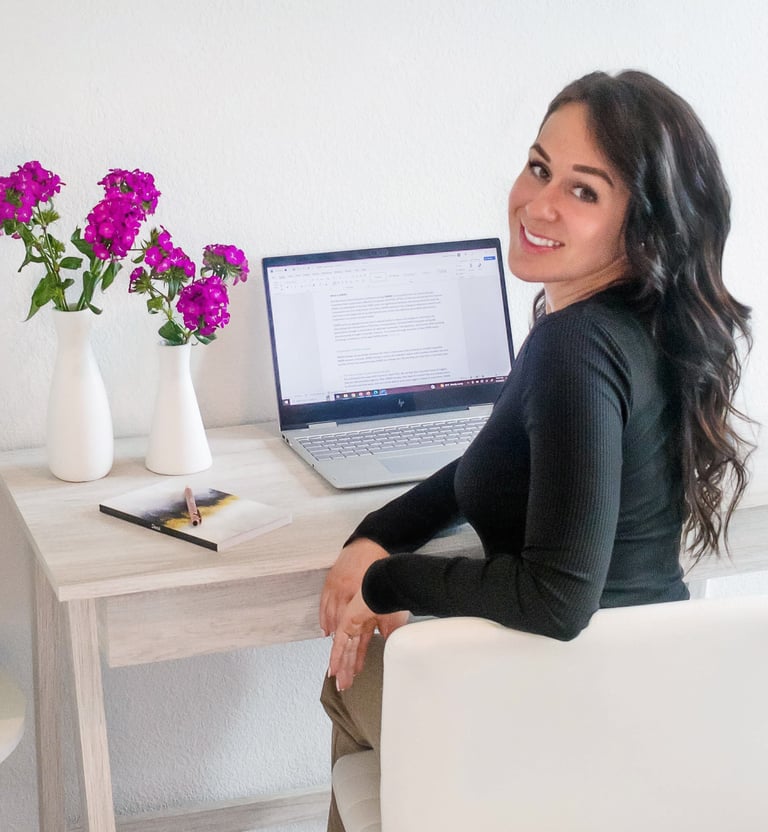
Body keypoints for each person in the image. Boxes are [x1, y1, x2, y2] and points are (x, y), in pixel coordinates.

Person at [319, 69, 753, 832]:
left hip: (554, 719)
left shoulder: (575, 347)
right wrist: (379, 533)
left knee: (349, 679)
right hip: (649, 708)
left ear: (641, 223)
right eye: (539, 167)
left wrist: (386, 583)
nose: (538, 203)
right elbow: (494, 462)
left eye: (584, 191)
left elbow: (558, 599)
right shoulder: (639, 324)